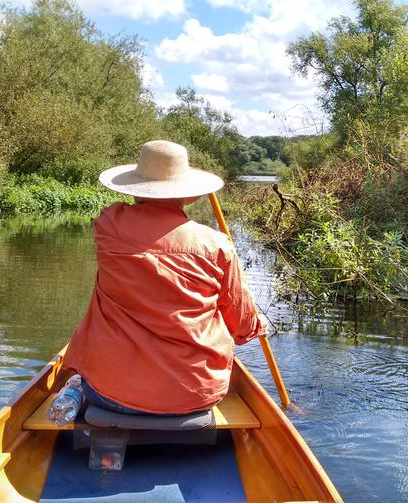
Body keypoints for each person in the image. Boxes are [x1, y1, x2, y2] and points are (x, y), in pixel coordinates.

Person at [64, 140, 267, 416]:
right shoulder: (217, 245)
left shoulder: (108, 226)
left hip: (108, 391)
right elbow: (241, 325)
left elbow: (121, 215)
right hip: (196, 395)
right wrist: (255, 325)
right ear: (188, 195)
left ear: (134, 188)